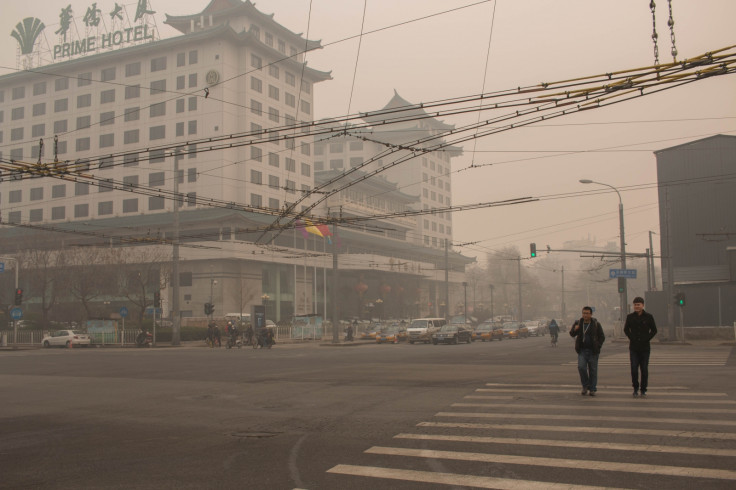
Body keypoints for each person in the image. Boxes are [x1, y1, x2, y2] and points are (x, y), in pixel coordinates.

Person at [624, 296, 657, 398]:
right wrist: (631, 337)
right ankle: (635, 388)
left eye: (638, 305)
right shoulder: (630, 317)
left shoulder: (649, 317)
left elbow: (654, 330)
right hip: (634, 347)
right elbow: (626, 329)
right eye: (635, 305)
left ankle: (643, 389)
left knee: (644, 369)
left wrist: (647, 338)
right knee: (634, 368)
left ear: (643, 305)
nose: (636, 306)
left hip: (645, 348)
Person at [569, 306, 605, 396]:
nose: (585, 315)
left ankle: (592, 388)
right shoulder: (578, 323)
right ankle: (585, 385)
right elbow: (572, 333)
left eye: (587, 313)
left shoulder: (596, 324)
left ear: (591, 314)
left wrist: (598, 345)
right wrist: (575, 329)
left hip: (593, 351)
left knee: (593, 370)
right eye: (584, 313)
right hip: (582, 350)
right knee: (581, 367)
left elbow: (602, 336)